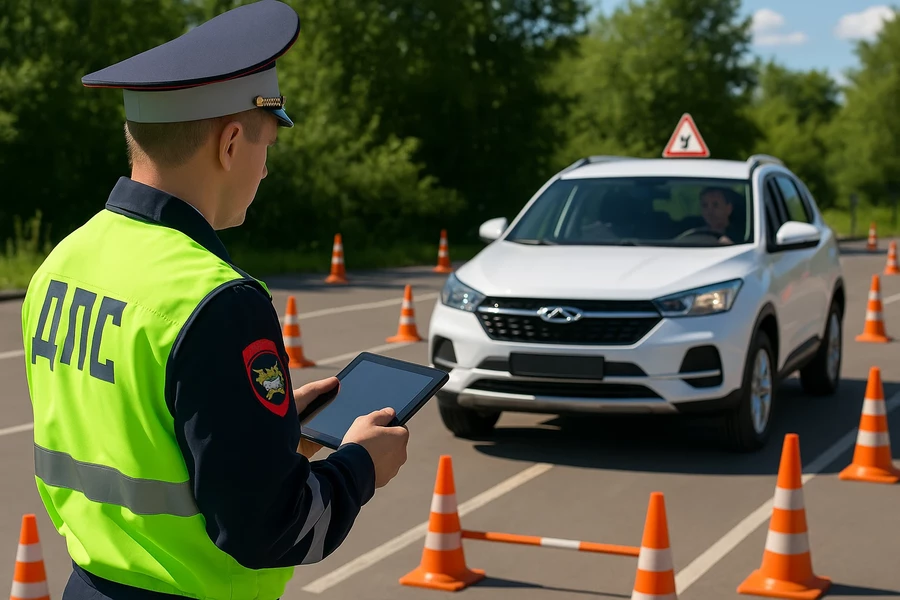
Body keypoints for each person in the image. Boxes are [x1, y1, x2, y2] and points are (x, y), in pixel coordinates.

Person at [20, 2, 409, 600]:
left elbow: (144, 435)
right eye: (266, 147)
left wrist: (268, 434)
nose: (266, 170)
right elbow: (269, 528)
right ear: (231, 142)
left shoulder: (63, 262)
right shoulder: (219, 301)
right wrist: (359, 466)